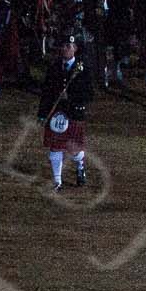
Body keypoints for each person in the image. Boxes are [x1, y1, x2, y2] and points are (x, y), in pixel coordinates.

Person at [36, 34, 94, 189]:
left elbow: (89, 95)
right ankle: (57, 181)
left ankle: (80, 165)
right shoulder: (54, 68)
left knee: (73, 149)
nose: (65, 49)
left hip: (74, 113)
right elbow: (46, 93)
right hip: (57, 113)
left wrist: (71, 96)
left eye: (68, 46)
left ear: (75, 49)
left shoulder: (83, 69)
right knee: (55, 146)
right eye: (63, 46)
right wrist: (42, 114)